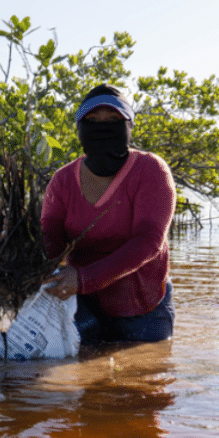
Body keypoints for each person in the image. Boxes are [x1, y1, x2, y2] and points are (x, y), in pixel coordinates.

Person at [41, 84, 176, 344]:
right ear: (80, 127)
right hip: (82, 304)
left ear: (129, 125)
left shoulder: (151, 170)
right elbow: (51, 238)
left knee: (143, 377)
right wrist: (23, 250)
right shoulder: (63, 180)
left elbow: (149, 243)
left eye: (113, 120)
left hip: (141, 308)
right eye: (93, 120)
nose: (103, 127)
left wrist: (83, 278)